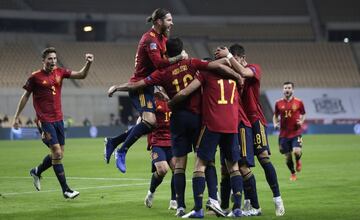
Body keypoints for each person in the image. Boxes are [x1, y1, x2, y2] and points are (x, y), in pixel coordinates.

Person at [108, 38, 240, 217]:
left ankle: (180, 206)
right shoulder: (192, 63)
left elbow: (137, 84)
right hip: (197, 119)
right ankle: (212, 200)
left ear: (166, 54)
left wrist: (117, 87)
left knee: (179, 165)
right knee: (206, 161)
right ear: (181, 50)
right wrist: (237, 74)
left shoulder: (161, 73)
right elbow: (216, 66)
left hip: (178, 120)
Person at [104, 8, 188, 174]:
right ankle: (121, 151)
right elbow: (159, 64)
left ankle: (113, 142)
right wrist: (180, 57)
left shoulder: (162, 37)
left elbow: (162, 65)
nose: (172, 23)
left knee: (149, 124)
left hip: (150, 85)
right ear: (158, 21)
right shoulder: (149, 39)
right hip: (140, 85)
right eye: (169, 20)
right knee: (149, 121)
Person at [12, 47, 94, 199]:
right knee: (56, 152)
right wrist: (16, 116)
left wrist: (88, 63)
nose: (53, 61)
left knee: (59, 154)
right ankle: (66, 190)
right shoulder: (35, 77)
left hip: (59, 119)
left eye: (55, 58)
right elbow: (25, 96)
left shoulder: (60, 72)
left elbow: (82, 75)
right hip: (44, 120)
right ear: (43, 60)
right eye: (50, 59)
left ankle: (37, 171)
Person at [216, 44, 285, 216]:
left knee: (263, 158)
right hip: (239, 123)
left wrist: (229, 57)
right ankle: (247, 203)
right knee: (241, 163)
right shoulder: (232, 75)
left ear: (240, 57)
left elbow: (246, 73)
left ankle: (277, 198)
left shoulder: (253, 68)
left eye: (234, 58)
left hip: (256, 120)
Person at [169, 67, 245, 218]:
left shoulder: (206, 75)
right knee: (233, 166)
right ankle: (237, 208)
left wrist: (171, 102)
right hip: (231, 126)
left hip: (212, 125)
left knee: (200, 164)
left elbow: (187, 91)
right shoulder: (234, 80)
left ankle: (198, 209)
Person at [143, 88, 177, 210]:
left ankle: (174, 200)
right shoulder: (153, 100)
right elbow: (144, 118)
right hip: (158, 141)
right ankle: (151, 193)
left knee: (177, 170)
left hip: (173, 142)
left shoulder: (175, 98)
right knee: (163, 170)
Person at [273, 81, 306, 181]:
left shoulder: (299, 102)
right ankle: (293, 173)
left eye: (289, 88)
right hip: (283, 135)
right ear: (283, 90)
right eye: (285, 88)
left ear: (292, 90)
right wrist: (275, 123)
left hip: (296, 132)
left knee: (296, 151)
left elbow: (303, 114)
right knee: (287, 157)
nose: (287, 89)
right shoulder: (278, 103)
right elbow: (275, 116)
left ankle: (298, 161)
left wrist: (301, 121)